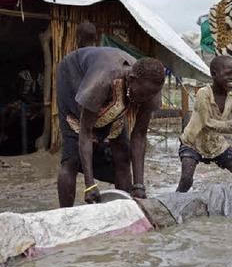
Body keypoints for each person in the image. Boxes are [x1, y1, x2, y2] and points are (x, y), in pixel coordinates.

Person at [56, 47, 165, 207]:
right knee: (71, 158)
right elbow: (85, 132)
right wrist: (90, 184)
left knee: (122, 154)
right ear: (132, 79)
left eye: (150, 96)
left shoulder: (150, 89)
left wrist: (139, 186)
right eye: (142, 95)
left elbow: (139, 136)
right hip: (74, 76)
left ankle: (126, 207)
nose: (144, 100)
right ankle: (64, 215)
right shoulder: (103, 81)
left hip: (117, 93)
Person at [176, 55, 232, 192]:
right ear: (214, 74)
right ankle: (173, 206)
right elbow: (207, 123)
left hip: (215, 143)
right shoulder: (203, 93)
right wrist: (231, 125)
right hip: (192, 142)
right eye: (228, 74)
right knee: (186, 180)